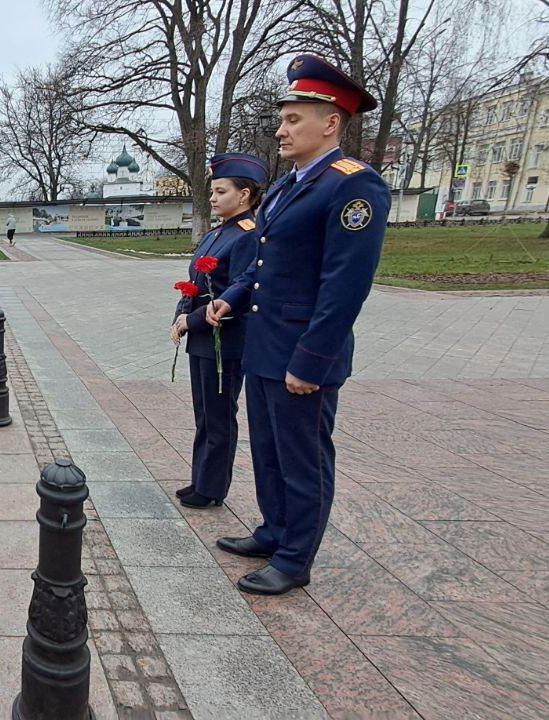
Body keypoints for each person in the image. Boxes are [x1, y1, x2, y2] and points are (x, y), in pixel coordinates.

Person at [206, 54, 389, 595]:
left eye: (293, 119)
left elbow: (345, 285)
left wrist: (313, 360)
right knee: (267, 448)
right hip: (264, 344)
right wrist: (231, 299)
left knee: (303, 458)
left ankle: (294, 558)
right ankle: (273, 529)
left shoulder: (354, 187)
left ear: (330, 122)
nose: (281, 129)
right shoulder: (287, 187)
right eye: (281, 119)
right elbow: (263, 264)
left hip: (302, 352)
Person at [171, 153, 267, 509]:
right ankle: (201, 477)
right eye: (212, 191)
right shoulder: (217, 233)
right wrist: (181, 315)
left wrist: (193, 320)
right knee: (204, 413)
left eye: (221, 191)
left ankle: (212, 488)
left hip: (223, 340)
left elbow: (239, 292)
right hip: (201, 339)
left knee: (219, 414)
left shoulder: (247, 235)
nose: (213, 198)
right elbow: (196, 283)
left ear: (244, 195)